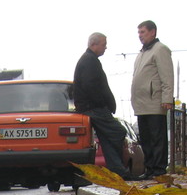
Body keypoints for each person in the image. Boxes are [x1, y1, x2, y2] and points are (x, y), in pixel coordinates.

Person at [73, 32, 133, 180]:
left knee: (107, 137)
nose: (106, 47)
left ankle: (118, 171)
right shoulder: (89, 61)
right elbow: (91, 86)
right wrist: (102, 104)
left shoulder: (89, 60)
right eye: (103, 44)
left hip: (91, 108)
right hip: (94, 109)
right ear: (94, 44)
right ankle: (118, 170)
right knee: (118, 132)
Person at [131, 20, 174, 179]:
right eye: (139, 32)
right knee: (146, 139)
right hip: (141, 103)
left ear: (153, 32)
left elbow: (167, 76)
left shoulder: (160, 50)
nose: (140, 36)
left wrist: (167, 98)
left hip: (155, 101)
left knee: (157, 138)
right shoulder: (142, 53)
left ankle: (159, 170)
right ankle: (149, 169)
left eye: (143, 32)